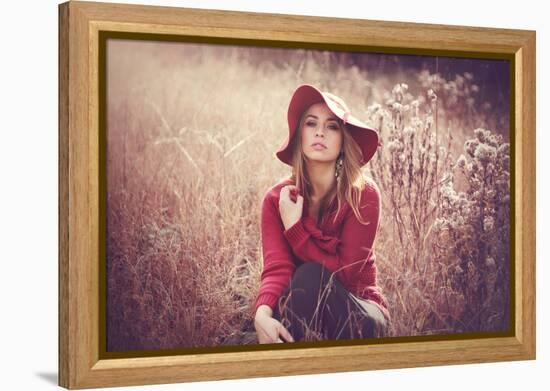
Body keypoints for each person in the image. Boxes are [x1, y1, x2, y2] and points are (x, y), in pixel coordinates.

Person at [253, 84, 390, 344]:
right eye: (311, 123)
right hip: (302, 309)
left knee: (309, 275)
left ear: (343, 140)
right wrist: (261, 315)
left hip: (359, 310)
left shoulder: (363, 194)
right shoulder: (276, 200)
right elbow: (277, 268)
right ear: (298, 135)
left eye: (332, 126)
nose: (319, 132)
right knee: (297, 289)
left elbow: (347, 275)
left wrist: (296, 231)